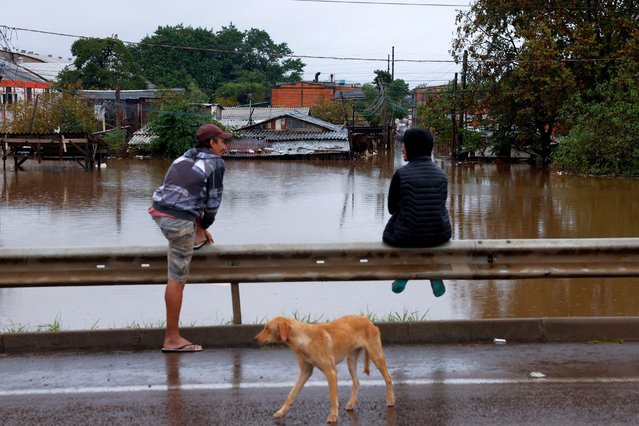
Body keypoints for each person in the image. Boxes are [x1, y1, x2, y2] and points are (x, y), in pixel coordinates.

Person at [149, 123, 231, 352]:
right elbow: (213, 202)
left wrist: (198, 228)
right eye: (222, 141)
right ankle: (172, 339)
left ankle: (194, 237)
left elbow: (184, 193)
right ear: (212, 143)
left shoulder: (183, 158)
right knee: (177, 278)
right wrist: (205, 224)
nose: (225, 146)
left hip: (159, 212)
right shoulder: (215, 163)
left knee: (186, 235)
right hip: (178, 220)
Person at [382, 127, 451, 297]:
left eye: (404, 145)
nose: (402, 148)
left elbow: (392, 209)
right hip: (439, 236)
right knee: (431, 219)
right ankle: (433, 272)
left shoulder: (401, 174)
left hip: (406, 238)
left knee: (398, 226)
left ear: (411, 148)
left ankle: (404, 272)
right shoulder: (442, 175)